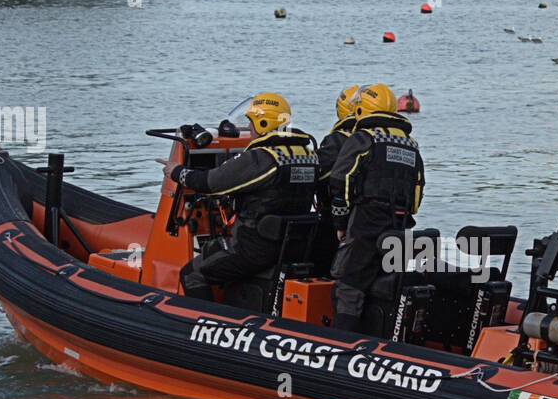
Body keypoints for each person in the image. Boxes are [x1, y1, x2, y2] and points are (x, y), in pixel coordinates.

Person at [162, 93, 318, 300]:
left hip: (254, 248)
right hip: (292, 246)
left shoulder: (263, 157)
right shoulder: (308, 154)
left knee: (191, 274)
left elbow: (210, 183)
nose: (250, 129)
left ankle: (207, 325)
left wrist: (176, 172)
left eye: (251, 123)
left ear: (263, 123)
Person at [328, 83, 425, 333]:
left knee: (348, 287)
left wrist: (340, 223)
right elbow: (417, 191)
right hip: (400, 225)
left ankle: (341, 346)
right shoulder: (410, 144)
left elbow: (340, 179)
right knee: (384, 284)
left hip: (366, 222)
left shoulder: (364, 137)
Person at [310, 85, 360, 274]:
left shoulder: (338, 140)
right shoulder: (383, 139)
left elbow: (319, 172)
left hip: (337, 221)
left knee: (316, 256)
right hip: (371, 220)